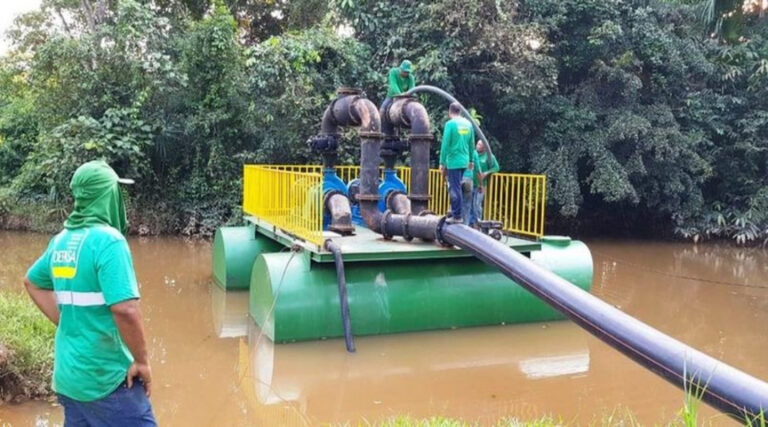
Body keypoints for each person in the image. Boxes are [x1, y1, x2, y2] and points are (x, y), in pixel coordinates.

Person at [24, 160, 156, 426]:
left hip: (70, 378)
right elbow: (125, 309)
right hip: (105, 378)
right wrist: (142, 362)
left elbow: (32, 282)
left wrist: (69, 321)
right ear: (107, 195)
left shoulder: (61, 239)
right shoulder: (109, 241)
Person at [440, 102, 475, 224]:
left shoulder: (450, 124)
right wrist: (471, 160)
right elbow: (472, 143)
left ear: (450, 112)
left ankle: (457, 216)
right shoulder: (468, 124)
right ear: (460, 111)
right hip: (464, 161)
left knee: (454, 188)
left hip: (454, 161)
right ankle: (455, 211)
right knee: (457, 186)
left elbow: (445, 144)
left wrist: (442, 162)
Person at [470, 139, 500, 226]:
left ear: (484, 147)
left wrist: (486, 173)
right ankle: (470, 222)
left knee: (477, 204)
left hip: (481, 184)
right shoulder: (473, 154)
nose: (477, 146)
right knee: (470, 204)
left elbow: (496, 167)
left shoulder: (489, 156)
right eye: (477, 144)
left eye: (480, 145)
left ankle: (478, 222)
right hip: (471, 182)